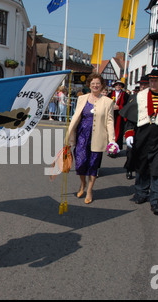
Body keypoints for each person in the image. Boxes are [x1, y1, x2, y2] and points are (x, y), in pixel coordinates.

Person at [120, 69, 158, 216]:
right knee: (141, 166)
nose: (153, 83)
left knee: (157, 169)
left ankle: (155, 200)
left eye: (156, 80)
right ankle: (141, 193)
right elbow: (130, 119)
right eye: (151, 81)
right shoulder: (139, 97)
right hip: (142, 136)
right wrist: (129, 134)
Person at [65, 73, 116, 204]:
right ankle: (83, 184)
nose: (95, 86)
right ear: (89, 84)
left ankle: (89, 190)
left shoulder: (108, 102)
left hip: (98, 137)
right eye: (93, 83)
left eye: (98, 83)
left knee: (93, 164)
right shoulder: (82, 98)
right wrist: (69, 136)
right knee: (80, 163)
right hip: (82, 135)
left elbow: (110, 122)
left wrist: (112, 141)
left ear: (102, 85)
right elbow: (76, 117)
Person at [125, 75, 149, 180]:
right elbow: (128, 113)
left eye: (145, 84)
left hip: (146, 129)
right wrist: (128, 132)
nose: (143, 86)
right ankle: (129, 169)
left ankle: (143, 172)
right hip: (134, 128)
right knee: (131, 151)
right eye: (141, 84)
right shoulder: (134, 97)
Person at [110, 80, 129, 151]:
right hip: (111, 115)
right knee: (111, 130)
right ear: (114, 86)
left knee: (119, 131)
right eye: (116, 85)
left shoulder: (125, 95)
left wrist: (120, 107)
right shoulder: (110, 94)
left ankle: (117, 148)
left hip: (120, 116)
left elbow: (127, 105)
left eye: (119, 85)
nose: (118, 86)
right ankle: (110, 147)